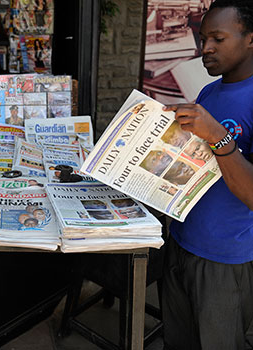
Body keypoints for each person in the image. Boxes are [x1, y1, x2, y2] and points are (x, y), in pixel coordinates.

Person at [161, 1, 253, 349]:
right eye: (202, 38)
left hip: (224, 259)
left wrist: (219, 137)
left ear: (250, 39)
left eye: (218, 38)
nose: (205, 49)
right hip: (181, 242)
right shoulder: (208, 93)